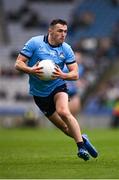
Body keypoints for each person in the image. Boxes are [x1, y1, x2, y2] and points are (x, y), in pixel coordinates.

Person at [15, 19, 98, 161]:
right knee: (65, 129)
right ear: (50, 30)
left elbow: (75, 74)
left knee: (64, 111)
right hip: (39, 94)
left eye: (65, 31)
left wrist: (63, 75)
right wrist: (31, 70)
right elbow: (18, 63)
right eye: (60, 30)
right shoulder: (35, 43)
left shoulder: (66, 48)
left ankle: (81, 147)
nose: (63, 34)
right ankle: (83, 139)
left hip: (58, 86)